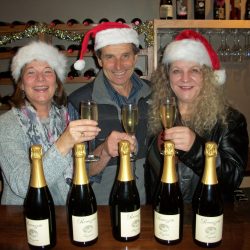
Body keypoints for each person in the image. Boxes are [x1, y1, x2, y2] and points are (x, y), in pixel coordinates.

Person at [147, 29, 249, 203]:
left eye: (194, 70)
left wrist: (196, 148)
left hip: (204, 217)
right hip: (162, 215)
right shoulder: (155, 113)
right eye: (177, 71)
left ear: (207, 76)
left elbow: (232, 179)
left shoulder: (230, 120)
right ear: (167, 77)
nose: (185, 79)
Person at [0, 41, 100, 205]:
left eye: (48, 71)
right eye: (31, 72)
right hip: (25, 219)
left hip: (64, 213)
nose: (40, 78)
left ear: (56, 81)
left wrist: (105, 151)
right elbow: (22, 185)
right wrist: (64, 143)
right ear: (21, 84)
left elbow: (79, 169)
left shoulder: (65, 116)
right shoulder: (6, 125)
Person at [68, 22, 151, 205]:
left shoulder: (154, 95)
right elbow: (72, 170)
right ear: (99, 60)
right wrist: (104, 151)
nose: (118, 65)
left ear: (136, 57)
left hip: (149, 208)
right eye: (110, 57)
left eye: (126, 56)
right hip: (102, 209)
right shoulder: (79, 102)